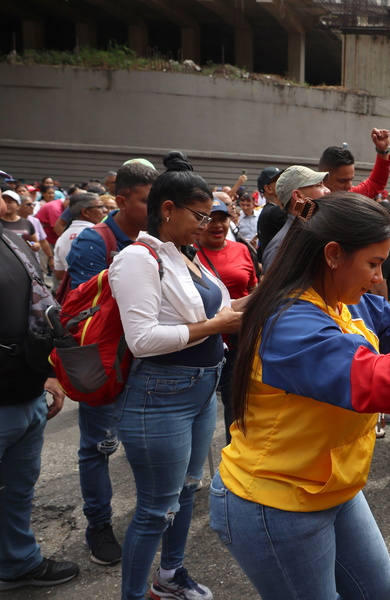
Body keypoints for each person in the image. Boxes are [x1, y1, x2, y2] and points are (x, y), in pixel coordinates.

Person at [209, 192, 390, 600]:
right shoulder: (290, 321)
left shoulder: (345, 300)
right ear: (332, 255)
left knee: (376, 588)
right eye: (373, 264)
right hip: (276, 501)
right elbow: (377, 381)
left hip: (331, 485)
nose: (379, 277)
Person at [107, 151, 243, 600]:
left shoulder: (187, 255)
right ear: (168, 210)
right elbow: (143, 339)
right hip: (159, 397)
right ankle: (133, 593)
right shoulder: (138, 259)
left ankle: (170, 576)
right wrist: (216, 326)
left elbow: (218, 310)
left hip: (201, 391)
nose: (207, 224)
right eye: (199, 214)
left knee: (186, 492)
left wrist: (251, 304)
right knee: (154, 508)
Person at [64, 161, 158, 568]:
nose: (156, 213)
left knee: (145, 448)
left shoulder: (159, 237)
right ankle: (98, 524)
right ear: (120, 201)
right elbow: (89, 312)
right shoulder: (93, 240)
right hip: (105, 365)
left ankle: (152, 519)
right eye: (146, 203)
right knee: (97, 448)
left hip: (149, 363)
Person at [0, 192, 80, 592]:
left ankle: (17, 563)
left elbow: (38, 309)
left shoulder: (12, 239)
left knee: (17, 489)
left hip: (24, 390)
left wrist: (47, 371)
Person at [195, 197, 258, 445]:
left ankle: (235, 454)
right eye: (210, 219)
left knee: (235, 402)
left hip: (238, 341)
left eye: (222, 218)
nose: (217, 224)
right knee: (201, 406)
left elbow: (253, 288)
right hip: (201, 340)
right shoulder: (187, 253)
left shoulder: (241, 249)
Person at [261, 165, 330, 272]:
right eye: (318, 185)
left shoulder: (312, 231)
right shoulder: (281, 247)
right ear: (298, 196)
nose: (327, 191)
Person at [318, 128, 390, 198]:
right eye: (343, 181)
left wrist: (383, 150)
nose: (349, 186)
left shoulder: (350, 196)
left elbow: (376, 183)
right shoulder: (310, 202)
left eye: (351, 180)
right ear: (323, 178)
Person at [52, 192, 108, 281]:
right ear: (85, 212)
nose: (105, 210)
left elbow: (59, 274)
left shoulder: (62, 237)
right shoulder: (99, 235)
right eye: (100, 207)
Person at [254, 166, 283, 259]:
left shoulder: (270, 210)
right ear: (268, 188)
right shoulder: (275, 212)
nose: (284, 182)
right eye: (279, 180)